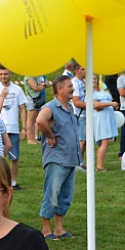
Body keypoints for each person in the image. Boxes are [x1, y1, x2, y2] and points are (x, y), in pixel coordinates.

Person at [35, 76, 80, 240]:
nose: (73, 89)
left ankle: (59, 228)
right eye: (69, 86)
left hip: (69, 159)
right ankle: (46, 229)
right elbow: (40, 121)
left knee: (66, 195)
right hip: (57, 159)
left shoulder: (69, 107)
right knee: (52, 193)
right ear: (60, 89)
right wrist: (51, 136)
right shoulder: (50, 107)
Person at [0, 67, 28, 190]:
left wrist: (25, 127)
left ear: (10, 74)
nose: (3, 76)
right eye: (1, 74)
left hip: (14, 128)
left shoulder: (17, 90)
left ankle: (13, 182)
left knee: (15, 157)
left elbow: (22, 108)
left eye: (5, 74)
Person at [90, 77, 118, 171]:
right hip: (100, 118)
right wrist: (110, 104)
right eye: (91, 79)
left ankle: (100, 163)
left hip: (108, 117)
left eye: (95, 79)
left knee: (106, 141)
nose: (93, 81)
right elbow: (96, 106)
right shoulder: (90, 93)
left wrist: (112, 105)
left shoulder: (102, 91)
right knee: (105, 141)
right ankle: (99, 166)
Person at [22, 75, 48, 144]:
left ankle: (33, 138)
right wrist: (42, 87)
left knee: (34, 120)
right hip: (31, 99)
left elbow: (40, 85)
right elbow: (35, 88)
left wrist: (40, 87)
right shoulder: (28, 77)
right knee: (30, 119)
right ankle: (30, 139)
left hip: (37, 99)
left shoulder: (36, 76)